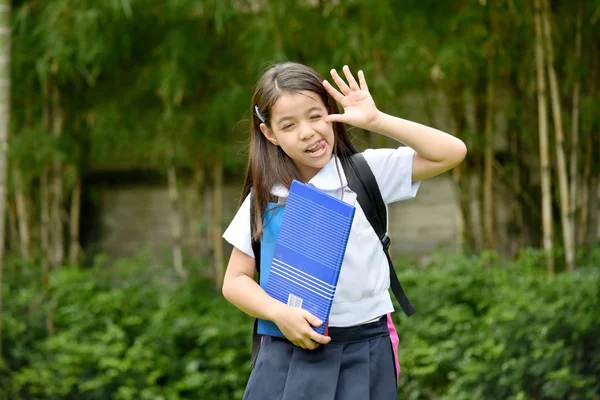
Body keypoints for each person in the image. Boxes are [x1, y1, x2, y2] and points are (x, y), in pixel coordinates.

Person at [221, 62, 467, 400]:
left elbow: (452, 152)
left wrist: (377, 120)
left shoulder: (366, 173)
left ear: (332, 113)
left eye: (315, 115)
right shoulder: (268, 196)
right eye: (289, 125)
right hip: (289, 347)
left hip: (366, 347)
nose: (307, 132)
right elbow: (234, 281)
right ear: (270, 134)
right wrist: (279, 313)